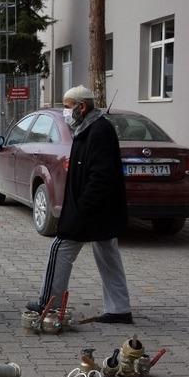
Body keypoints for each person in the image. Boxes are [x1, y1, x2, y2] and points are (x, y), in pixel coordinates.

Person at [25, 85, 133, 323]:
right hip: (99, 210)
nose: (65, 112)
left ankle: (48, 304)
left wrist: (82, 209)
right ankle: (119, 309)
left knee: (60, 248)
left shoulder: (99, 131)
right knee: (108, 257)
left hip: (91, 210)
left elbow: (100, 177)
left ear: (81, 107)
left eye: (67, 107)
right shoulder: (88, 129)